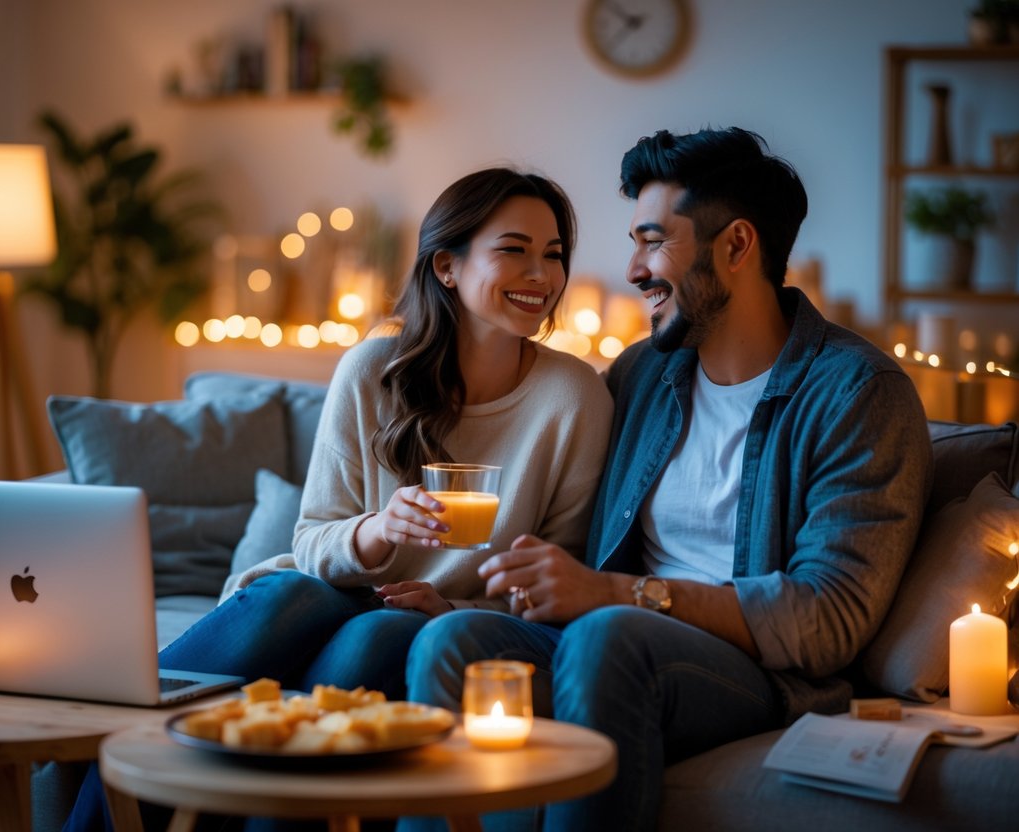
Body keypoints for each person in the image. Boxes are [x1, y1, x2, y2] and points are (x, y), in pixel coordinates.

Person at [403, 128, 933, 832]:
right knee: (454, 640)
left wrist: (617, 593)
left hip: (753, 674)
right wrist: (472, 601)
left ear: (736, 246)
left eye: (653, 241)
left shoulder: (858, 394)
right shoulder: (642, 375)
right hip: (611, 636)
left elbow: (827, 621)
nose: (632, 268)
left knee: (606, 635)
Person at [63, 166, 614, 831]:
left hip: (420, 617)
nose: (540, 275)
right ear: (446, 264)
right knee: (289, 597)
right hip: (320, 587)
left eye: (553, 255)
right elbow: (311, 539)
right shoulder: (371, 371)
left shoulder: (575, 397)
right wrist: (381, 528)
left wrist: (455, 605)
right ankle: (114, 756)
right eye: (514, 250)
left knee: (379, 636)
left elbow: (557, 569)